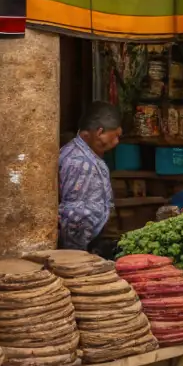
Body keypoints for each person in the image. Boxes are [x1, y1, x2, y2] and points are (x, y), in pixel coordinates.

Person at [58, 102, 123, 257]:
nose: (117, 142)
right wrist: (78, 255)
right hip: (83, 247)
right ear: (100, 132)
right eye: (116, 136)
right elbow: (76, 216)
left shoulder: (82, 152)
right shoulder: (81, 163)